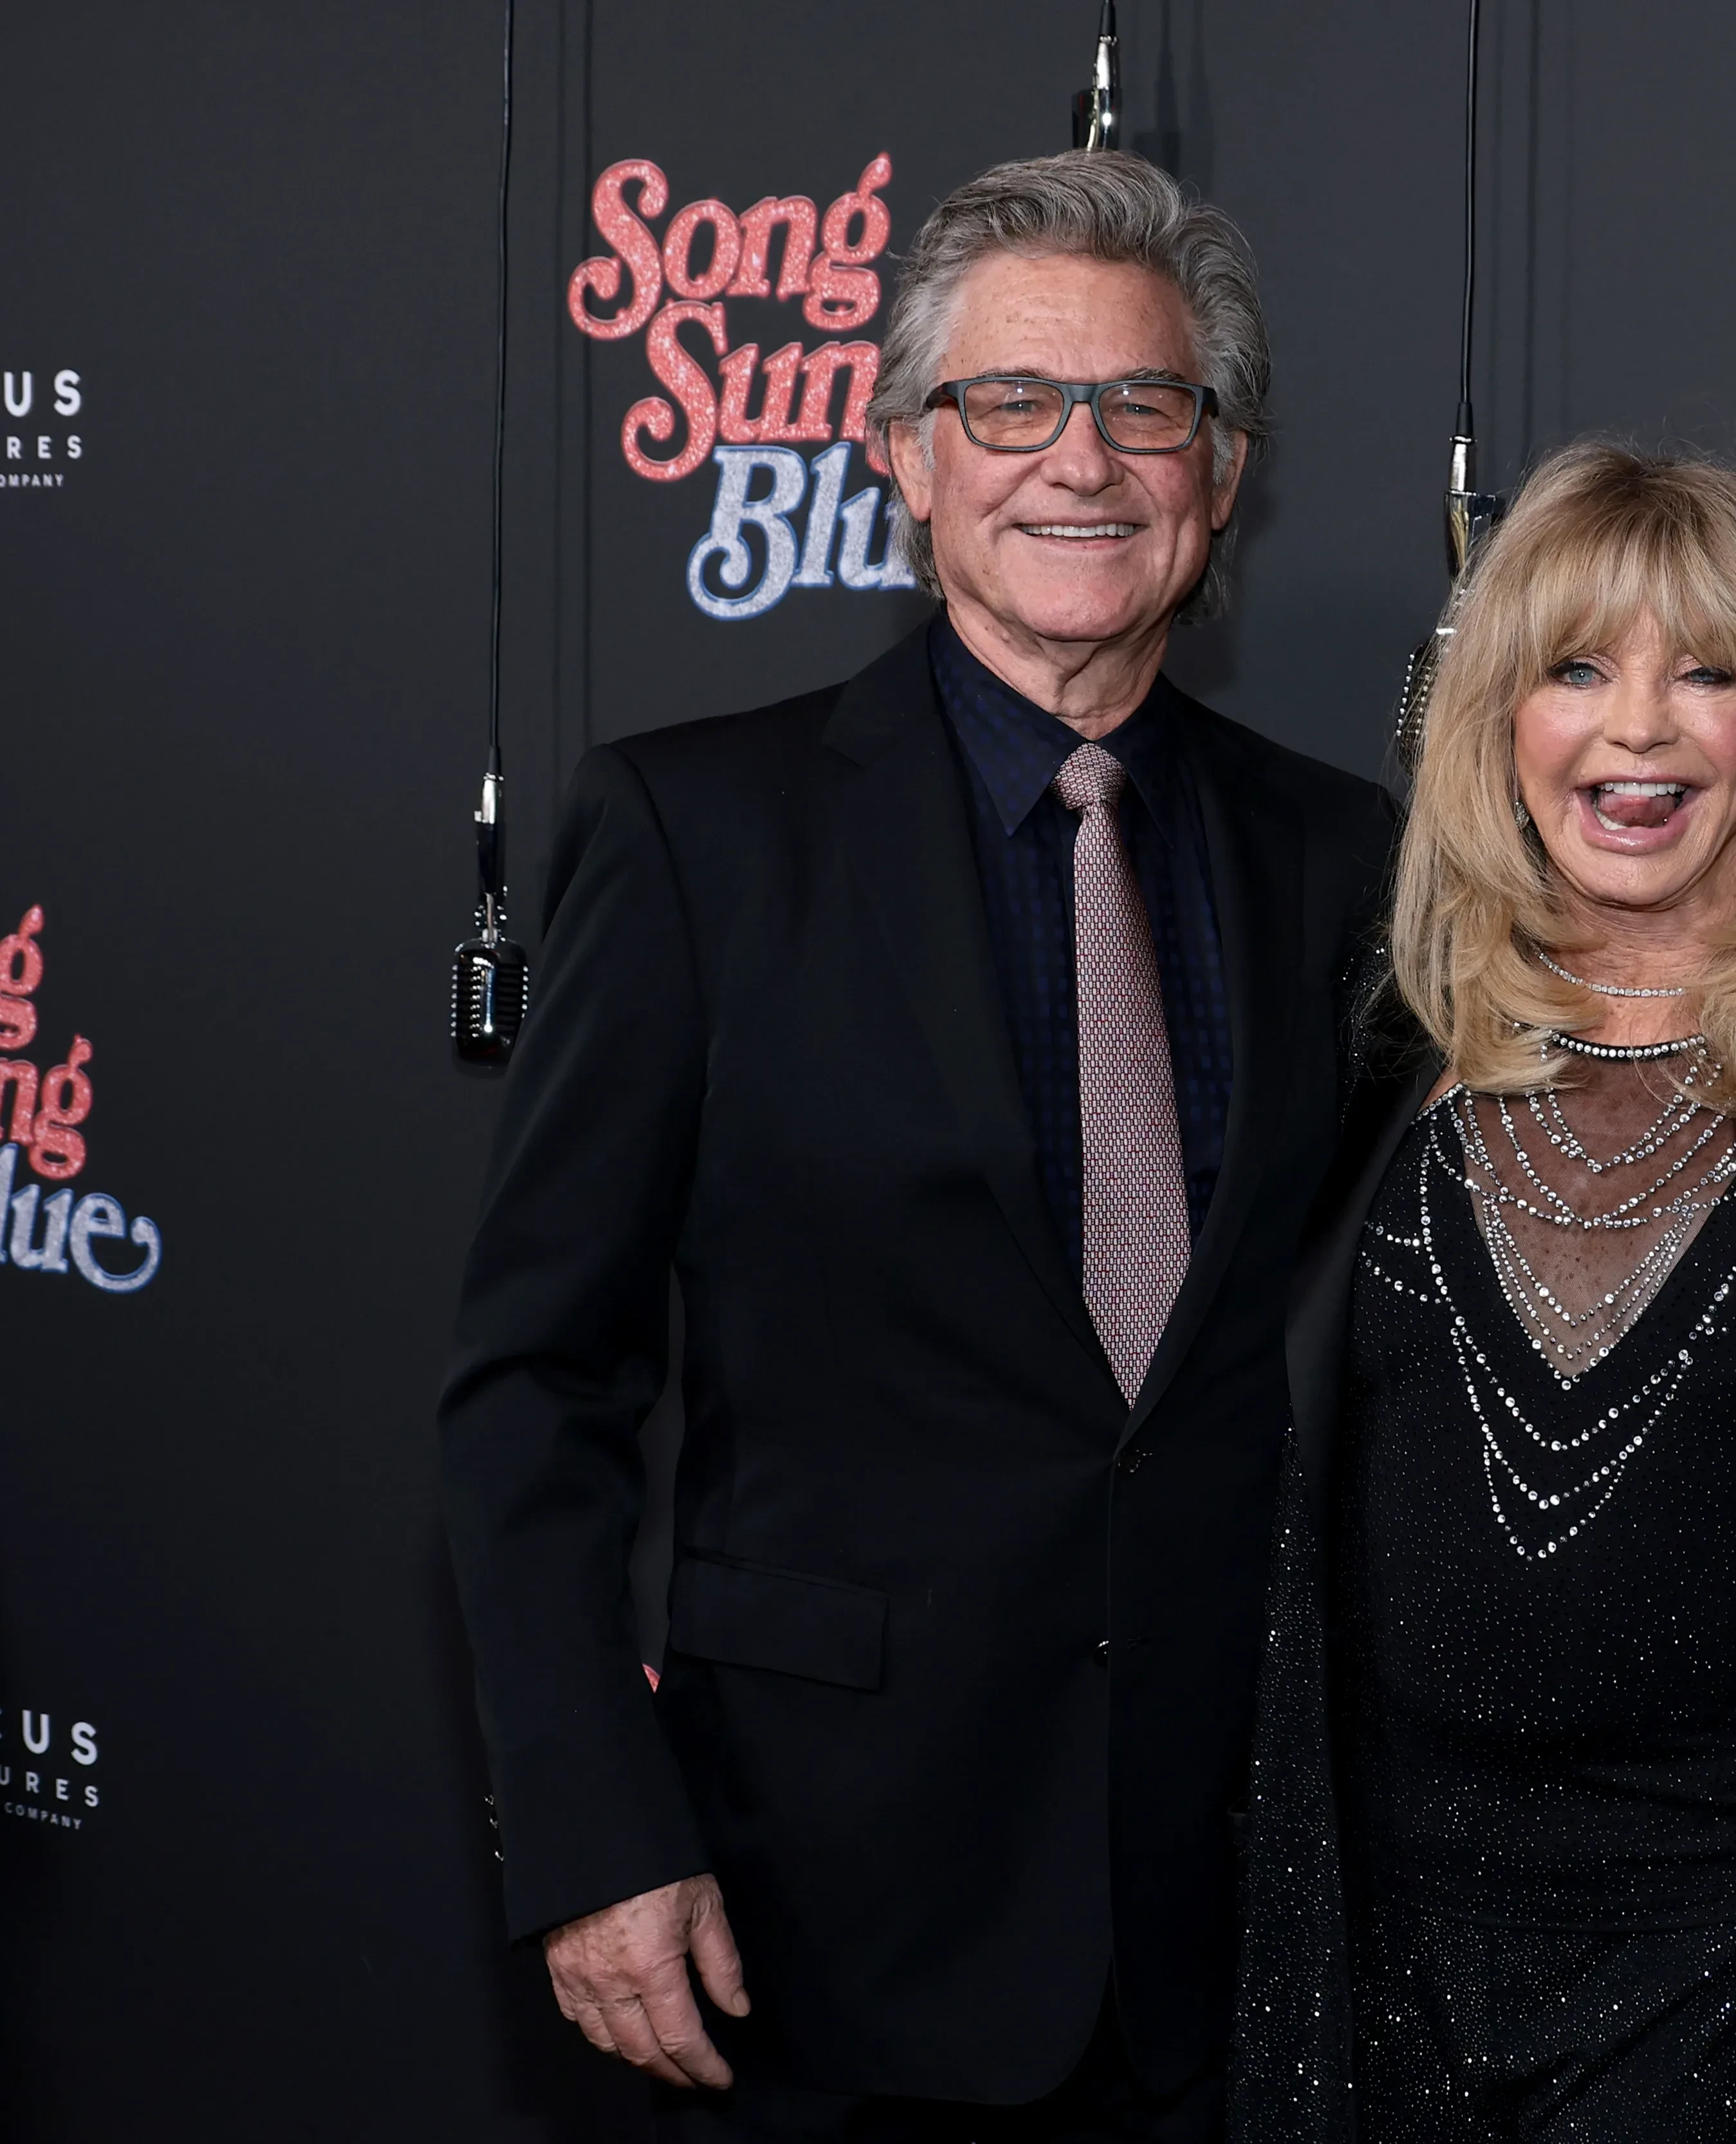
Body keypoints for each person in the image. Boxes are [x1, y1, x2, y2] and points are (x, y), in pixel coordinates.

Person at [436, 151, 1397, 2141]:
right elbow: (536, 1380)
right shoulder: (698, 835)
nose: (1082, 460)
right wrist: (595, 1828)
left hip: (1233, 1926)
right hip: (814, 1922)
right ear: (905, 453)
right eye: (1011, 402)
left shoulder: (1344, 858)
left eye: (1145, 405)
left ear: (1222, 472)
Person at [1227, 445, 1736, 2144]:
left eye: (1706, 673)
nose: (1637, 731)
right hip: (1377, 1985)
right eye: (1575, 669)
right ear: (1496, 715)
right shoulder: (1371, 1050)